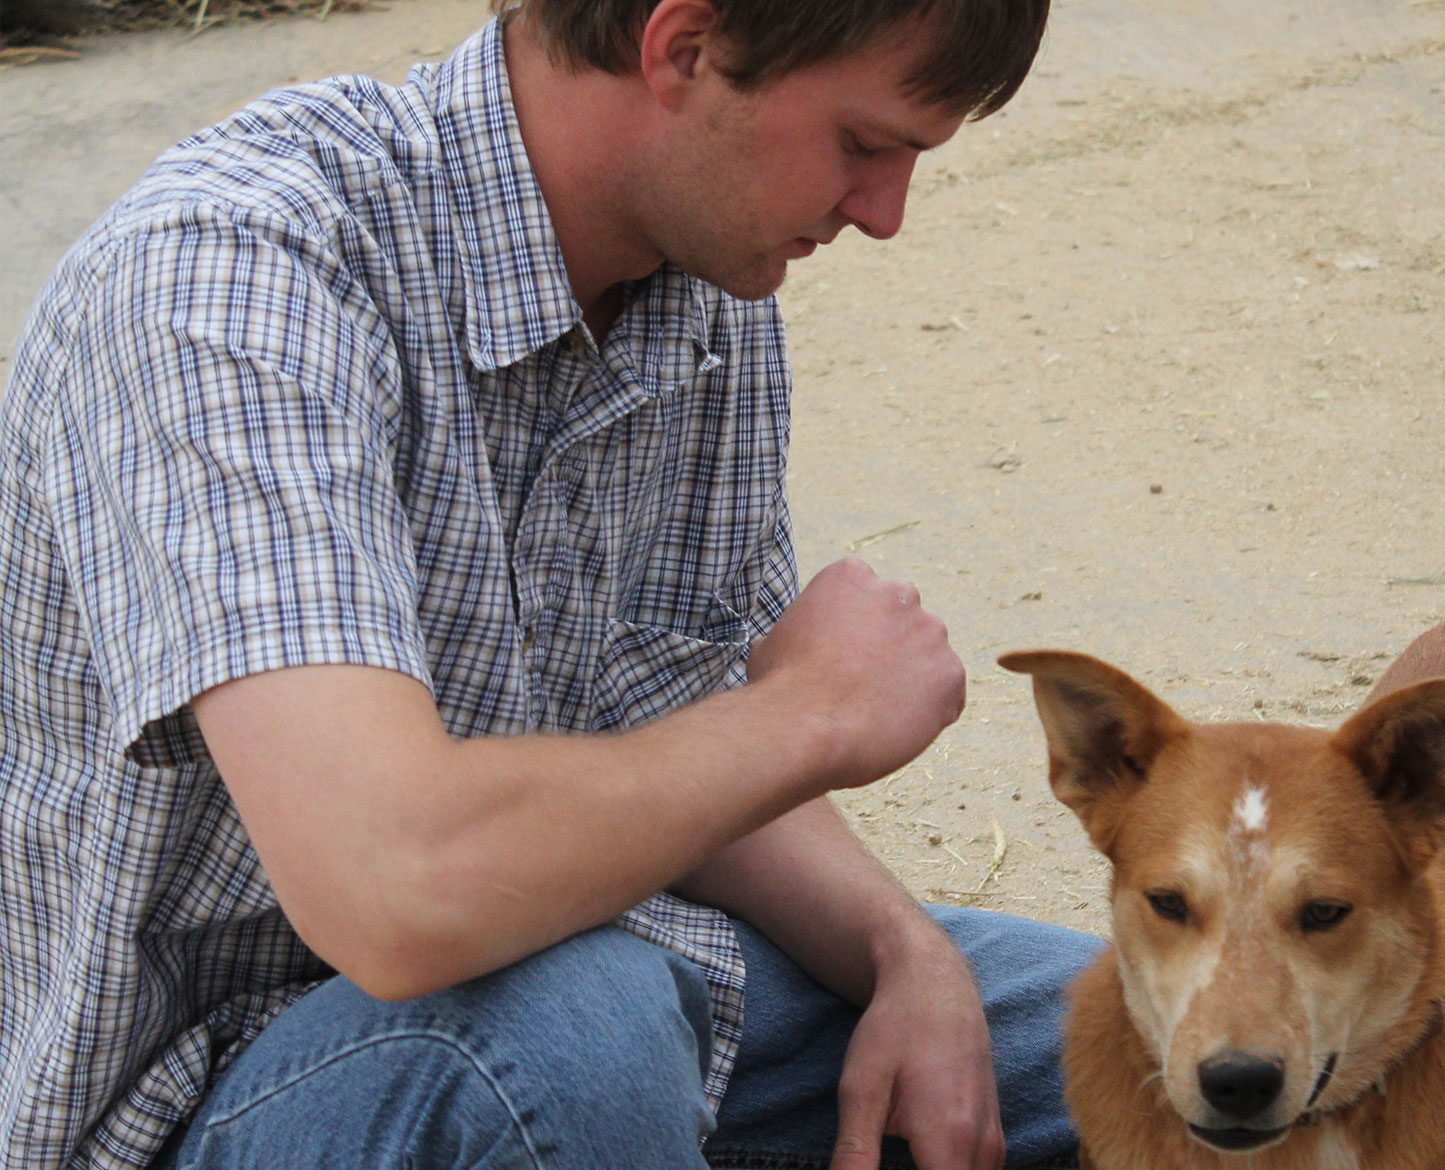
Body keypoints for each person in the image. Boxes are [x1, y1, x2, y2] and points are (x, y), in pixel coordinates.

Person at [0, 0, 1103, 1168]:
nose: (883, 216)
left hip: (576, 979)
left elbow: (681, 746)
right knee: (576, 1037)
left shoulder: (698, 294)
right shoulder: (232, 279)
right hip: (190, 1101)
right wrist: (810, 713)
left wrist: (901, 953)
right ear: (683, 47)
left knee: (1128, 1034)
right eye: (867, 146)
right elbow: (397, 890)